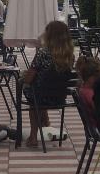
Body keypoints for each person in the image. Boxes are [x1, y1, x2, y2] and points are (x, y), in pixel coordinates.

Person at [23, 20, 75, 148]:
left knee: (32, 93)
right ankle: (45, 121)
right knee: (41, 89)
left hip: (40, 96)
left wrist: (23, 77)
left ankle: (33, 136)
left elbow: (29, 79)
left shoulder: (43, 53)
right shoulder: (70, 56)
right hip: (59, 97)